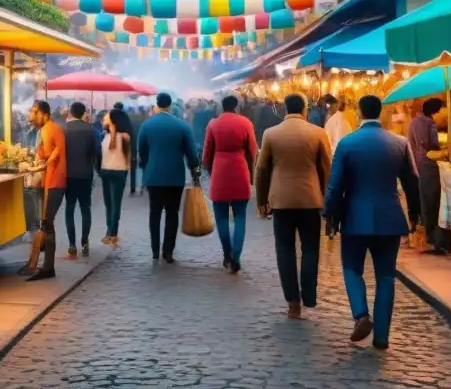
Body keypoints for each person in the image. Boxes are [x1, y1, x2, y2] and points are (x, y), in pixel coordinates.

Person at [325, 95, 420, 349]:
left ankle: (360, 314)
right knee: (386, 276)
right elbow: (412, 182)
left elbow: (335, 186)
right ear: (382, 113)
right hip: (389, 216)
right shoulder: (399, 143)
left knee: (352, 269)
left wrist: (331, 215)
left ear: (358, 113)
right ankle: (382, 336)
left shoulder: (347, 144)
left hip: (355, 217)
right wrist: (415, 215)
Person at [255, 94, 332, 319]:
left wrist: (261, 200)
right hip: (311, 199)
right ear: (305, 109)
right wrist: (328, 200)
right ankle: (308, 294)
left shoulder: (271, 133)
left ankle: (292, 302)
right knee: (310, 249)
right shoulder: (318, 133)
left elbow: (261, 169)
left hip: (281, 201)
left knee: (284, 250)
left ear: (284, 108)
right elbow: (326, 170)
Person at [137, 92, 199, 263]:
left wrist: (146, 165)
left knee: (154, 213)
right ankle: (168, 251)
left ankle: (155, 249)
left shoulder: (147, 125)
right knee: (172, 213)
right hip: (175, 176)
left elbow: (141, 151)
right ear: (170, 106)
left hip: (154, 176)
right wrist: (194, 170)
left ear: (157, 105)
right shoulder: (182, 126)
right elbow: (192, 154)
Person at [203, 95, 258, 273]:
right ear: (237, 107)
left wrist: (211, 171)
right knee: (240, 217)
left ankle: (227, 252)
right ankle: (236, 255)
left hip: (220, 172)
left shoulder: (213, 124)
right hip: (240, 170)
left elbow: (206, 154)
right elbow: (252, 151)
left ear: (222, 107)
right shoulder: (246, 123)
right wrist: (251, 173)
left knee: (221, 218)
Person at [26, 101, 67, 282]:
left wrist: (40, 165)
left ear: (43, 113)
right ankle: (47, 266)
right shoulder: (45, 130)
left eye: (34, 112)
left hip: (54, 182)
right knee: (47, 223)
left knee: (47, 223)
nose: (31, 115)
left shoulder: (53, 129)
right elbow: (48, 153)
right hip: (50, 181)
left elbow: (57, 152)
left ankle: (48, 268)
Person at [407, 98, 448, 254]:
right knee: (430, 202)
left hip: (421, 165)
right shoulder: (426, 123)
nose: (446, 112)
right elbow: (429, 148)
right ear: (436, 110)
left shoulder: (417, 122)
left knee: (427, 201)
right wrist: (445, 152)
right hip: (427, 166)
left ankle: (430, 239)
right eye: (444, 109)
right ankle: (430, 240)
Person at [63, 102, 99, 259]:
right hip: (85, 174)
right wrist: (97, 169)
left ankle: (72, 244)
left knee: (69, 209)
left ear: (70, 112)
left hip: (68, 175)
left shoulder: (63, 129)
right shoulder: (90, 130)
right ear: (84, 113)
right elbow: (97, 152)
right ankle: (85, 241)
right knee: (86, 208)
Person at [100, 108, 132, 245]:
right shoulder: (104, 135)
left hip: (118, 171)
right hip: (106, 171)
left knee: (115, 203)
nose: (104, 119)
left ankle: (113, 233)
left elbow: (114, 148)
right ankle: (109, 231)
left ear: (113, 121)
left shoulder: (124, 136)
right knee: (108, 203)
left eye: (106, 117)